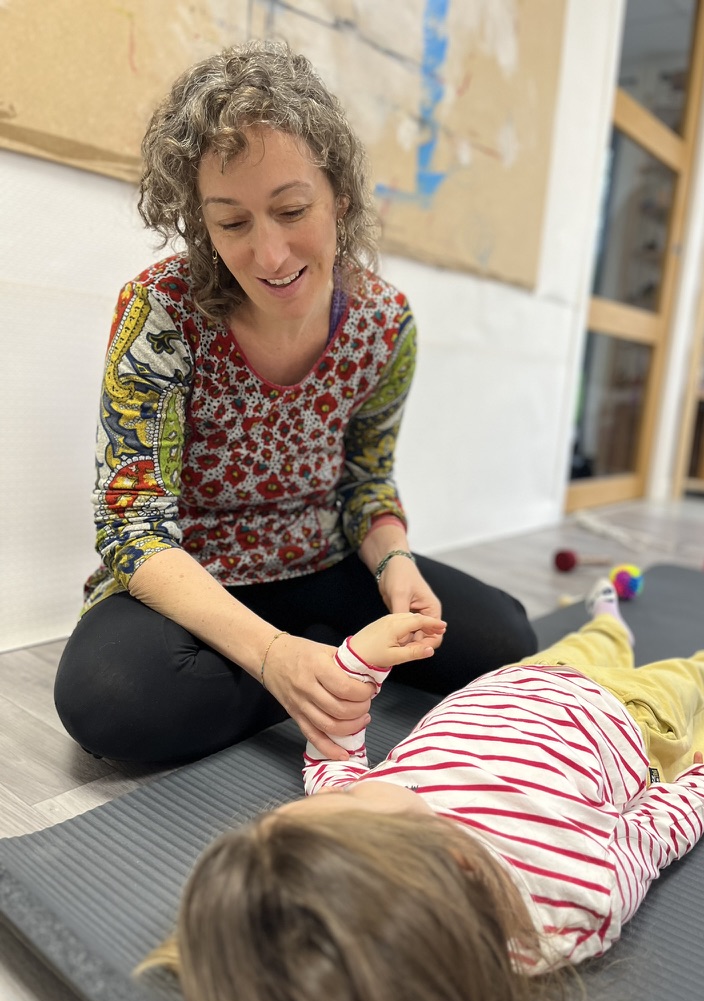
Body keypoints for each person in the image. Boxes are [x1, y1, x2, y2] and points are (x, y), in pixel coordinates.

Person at [53, 39, 537, 764]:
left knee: (506, 640)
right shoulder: (161, 312)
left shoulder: (384, 323)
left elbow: (366, 482)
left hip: (324, 565)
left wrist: (394, 564)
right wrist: (273, 655)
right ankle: (328, 662)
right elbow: (133, 527)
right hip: (194, 581)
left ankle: (317, 661)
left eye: (292, 209)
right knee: (110, 701)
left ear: (340, 195)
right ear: (201, 224)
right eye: (233, 223)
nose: (271, 255)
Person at [140, 580, 704, 1001]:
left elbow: (334, 757)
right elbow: (649, 836)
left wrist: (357, 664)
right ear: (455, 862)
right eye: (365, 799)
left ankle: (609, 620)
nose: (356, 787)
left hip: (523, 678)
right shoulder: (568, 898)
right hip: (632, 717)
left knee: (596, 639)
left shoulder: (345, 829)